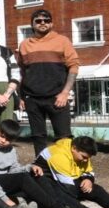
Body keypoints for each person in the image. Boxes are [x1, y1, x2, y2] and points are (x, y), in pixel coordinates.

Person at [0, 120, 87, 208]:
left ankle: (57, 207)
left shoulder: (10, 149)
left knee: (36, 174)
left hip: (1, 180)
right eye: (2, 136)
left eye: (8, 140)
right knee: (22, 179)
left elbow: (13, 169)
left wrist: (30, 167)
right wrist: (4, 199)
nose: (4, 141)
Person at [17, 9, 79, 155]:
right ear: (32, 24)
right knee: (38, 137)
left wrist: (64, 93)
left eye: (46, 20)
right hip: (32, 99)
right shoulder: (24, 45)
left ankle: (65, 169)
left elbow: (74, 66)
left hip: (57, 98)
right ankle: (42, 169)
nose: (43, 23)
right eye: (38, 21)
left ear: (51, 23)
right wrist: (21, 97)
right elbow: (22, 72)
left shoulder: (62, 41)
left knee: (64, 137)